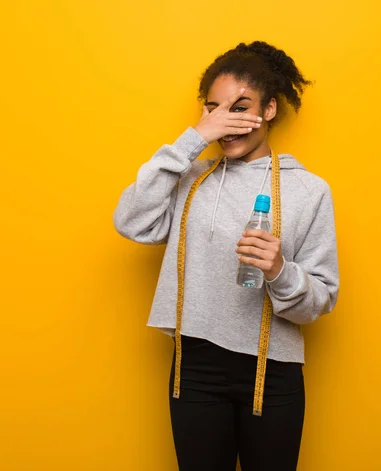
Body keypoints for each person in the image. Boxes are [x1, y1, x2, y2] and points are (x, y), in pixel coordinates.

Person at [113, 41, 339, 471]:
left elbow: (321, 300)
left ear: (270, 110)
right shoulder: (188, 180)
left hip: (272, 374)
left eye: (241, 107)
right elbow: (131, 222)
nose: (227, 122)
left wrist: (280, 271)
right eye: (215, 109)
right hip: (194, 368)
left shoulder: (309, 191)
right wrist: (193, 140)